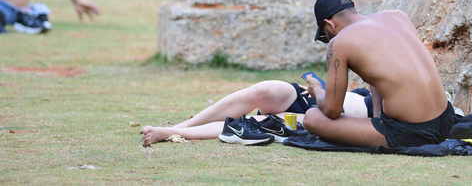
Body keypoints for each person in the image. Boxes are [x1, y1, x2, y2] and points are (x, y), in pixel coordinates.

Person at [303, 0, 456, 148]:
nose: (328, 39)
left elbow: (332, 111)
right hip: (447, 119)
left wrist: (317, 90)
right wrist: (377, 117)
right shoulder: (397, 16)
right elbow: (385, 74)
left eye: (325, 35)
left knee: (312, 117)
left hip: (411, 132)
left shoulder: (339, 43)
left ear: (329, 24)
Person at [141, 79, 372, 146]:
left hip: (330, 115)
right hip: (311, 97)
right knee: (265, 89)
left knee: (259, 121)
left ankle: (170, 132)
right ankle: (184, 124)